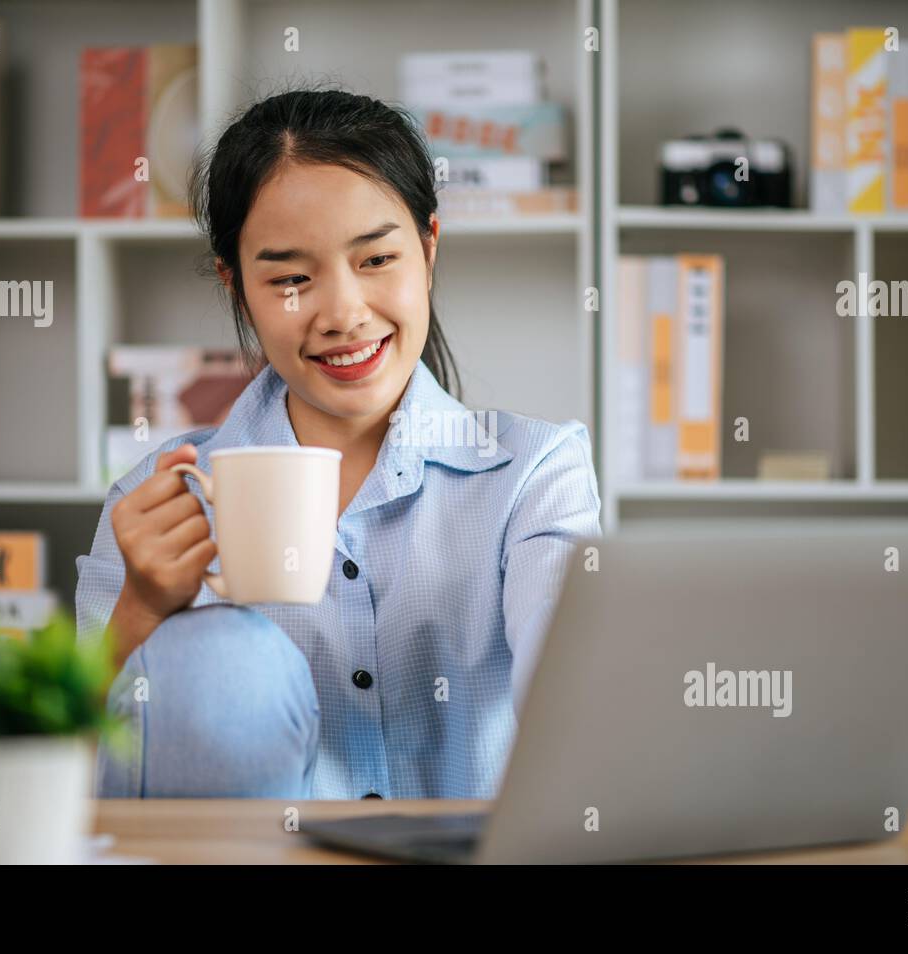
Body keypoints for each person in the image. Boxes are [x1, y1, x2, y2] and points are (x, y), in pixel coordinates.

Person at [75, 88, 601, 800]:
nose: (344, 314)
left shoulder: (531, 474)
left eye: (377, 259)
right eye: (291, 278)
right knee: (216, 660)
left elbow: (575, 687)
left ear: (427, 247)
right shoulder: (158, 503)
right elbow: (62, 778)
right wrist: (141, 610)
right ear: (237, 287)